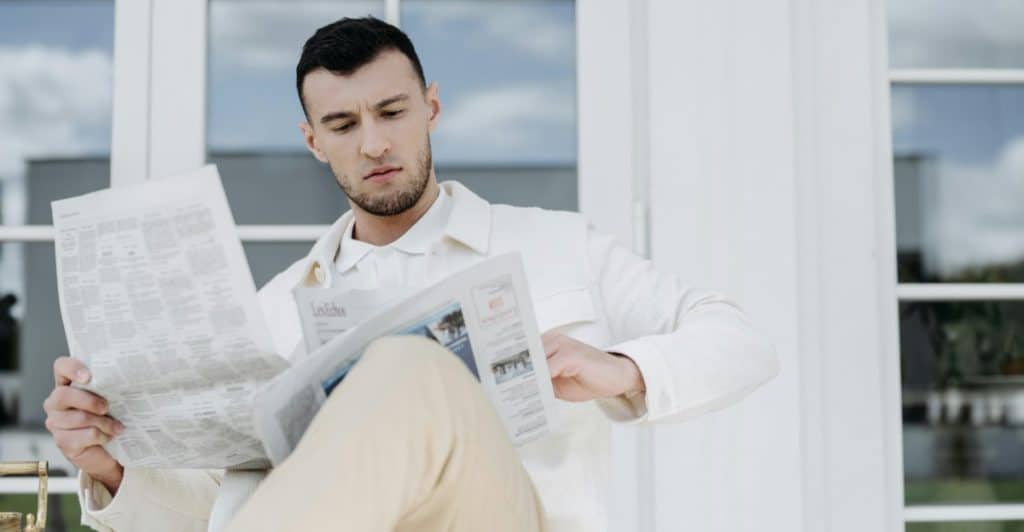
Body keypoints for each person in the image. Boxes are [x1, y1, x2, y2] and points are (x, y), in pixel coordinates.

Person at [43, 16, 779, 532]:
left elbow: (743, 342)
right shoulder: (274, 309)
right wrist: (108, 466)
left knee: (404, 365)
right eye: (342, 125)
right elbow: (218, 507)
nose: (373, 144)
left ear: (430, 108)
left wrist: (621, 368)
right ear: (313, 142)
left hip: (502, 517)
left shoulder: (556, 244)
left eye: (391, 112)